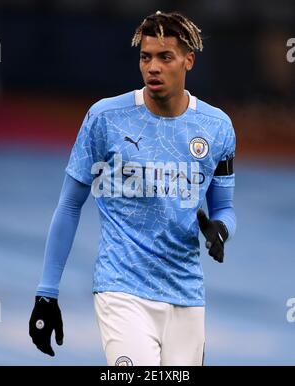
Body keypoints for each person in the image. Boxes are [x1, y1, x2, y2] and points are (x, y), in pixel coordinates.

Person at [29, 10, 236, 366]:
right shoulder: (105, 118)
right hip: (121, 289)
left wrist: (221, 230)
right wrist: (47, 292)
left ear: (189, 60)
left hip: (187, 294)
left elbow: (224, 210)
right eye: (146, 57)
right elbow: (69, 204)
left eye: (164, 57)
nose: (153, 67)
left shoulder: (217, 128)